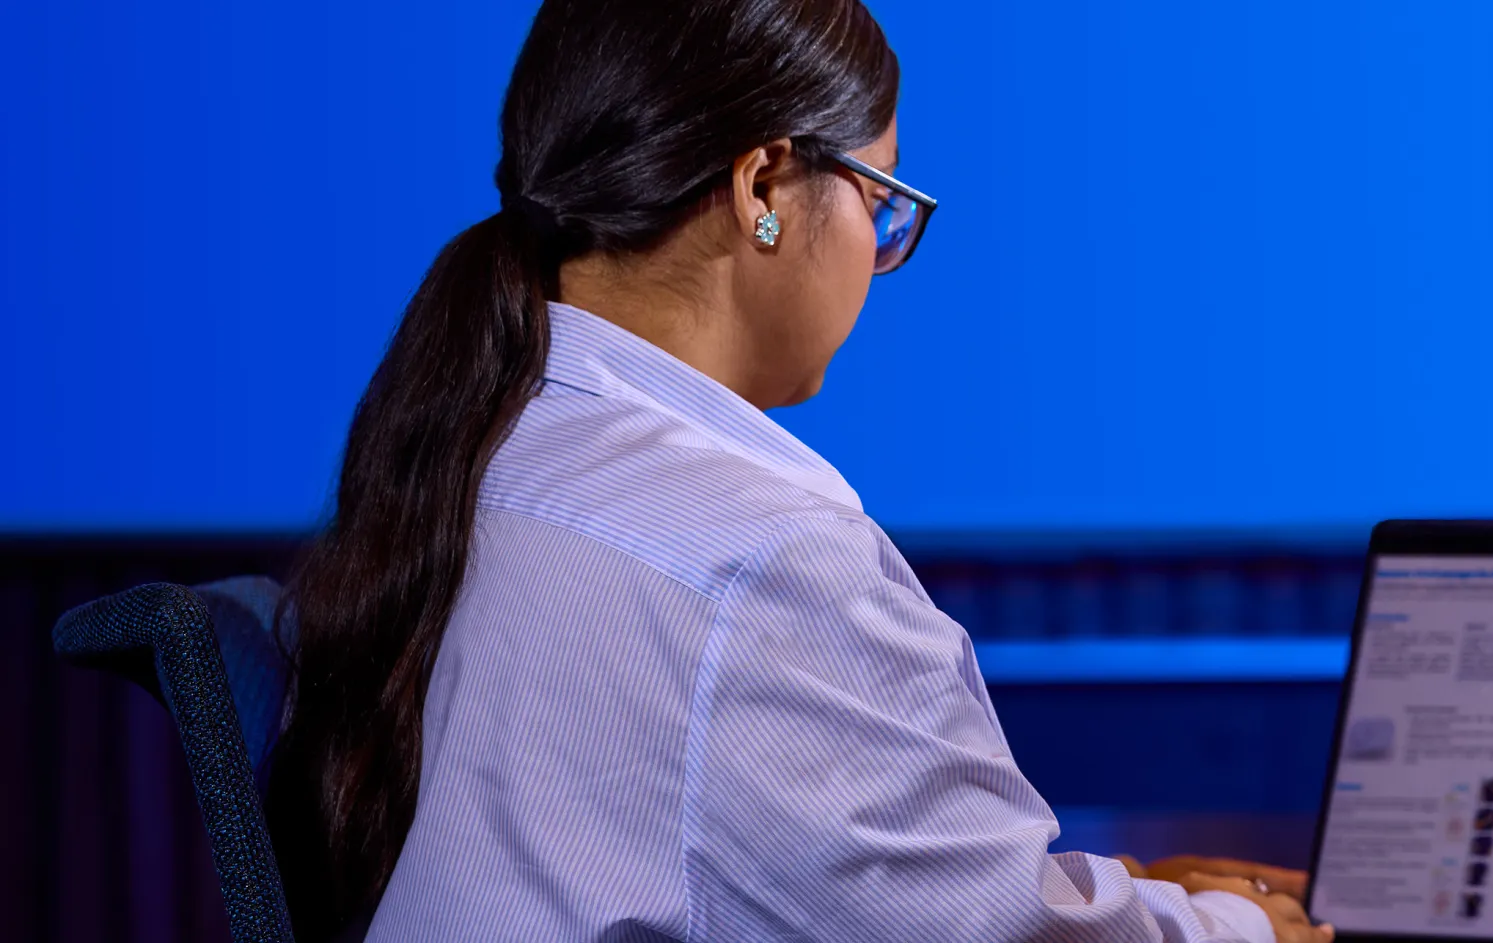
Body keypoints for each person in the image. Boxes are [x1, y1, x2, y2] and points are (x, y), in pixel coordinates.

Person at [264, 1, 1333, 941]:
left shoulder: (495, 453)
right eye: (877, 200)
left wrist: (1126, 893)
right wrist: (1238, 930)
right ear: (765, 183)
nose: (879, 254)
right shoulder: (750, 555)